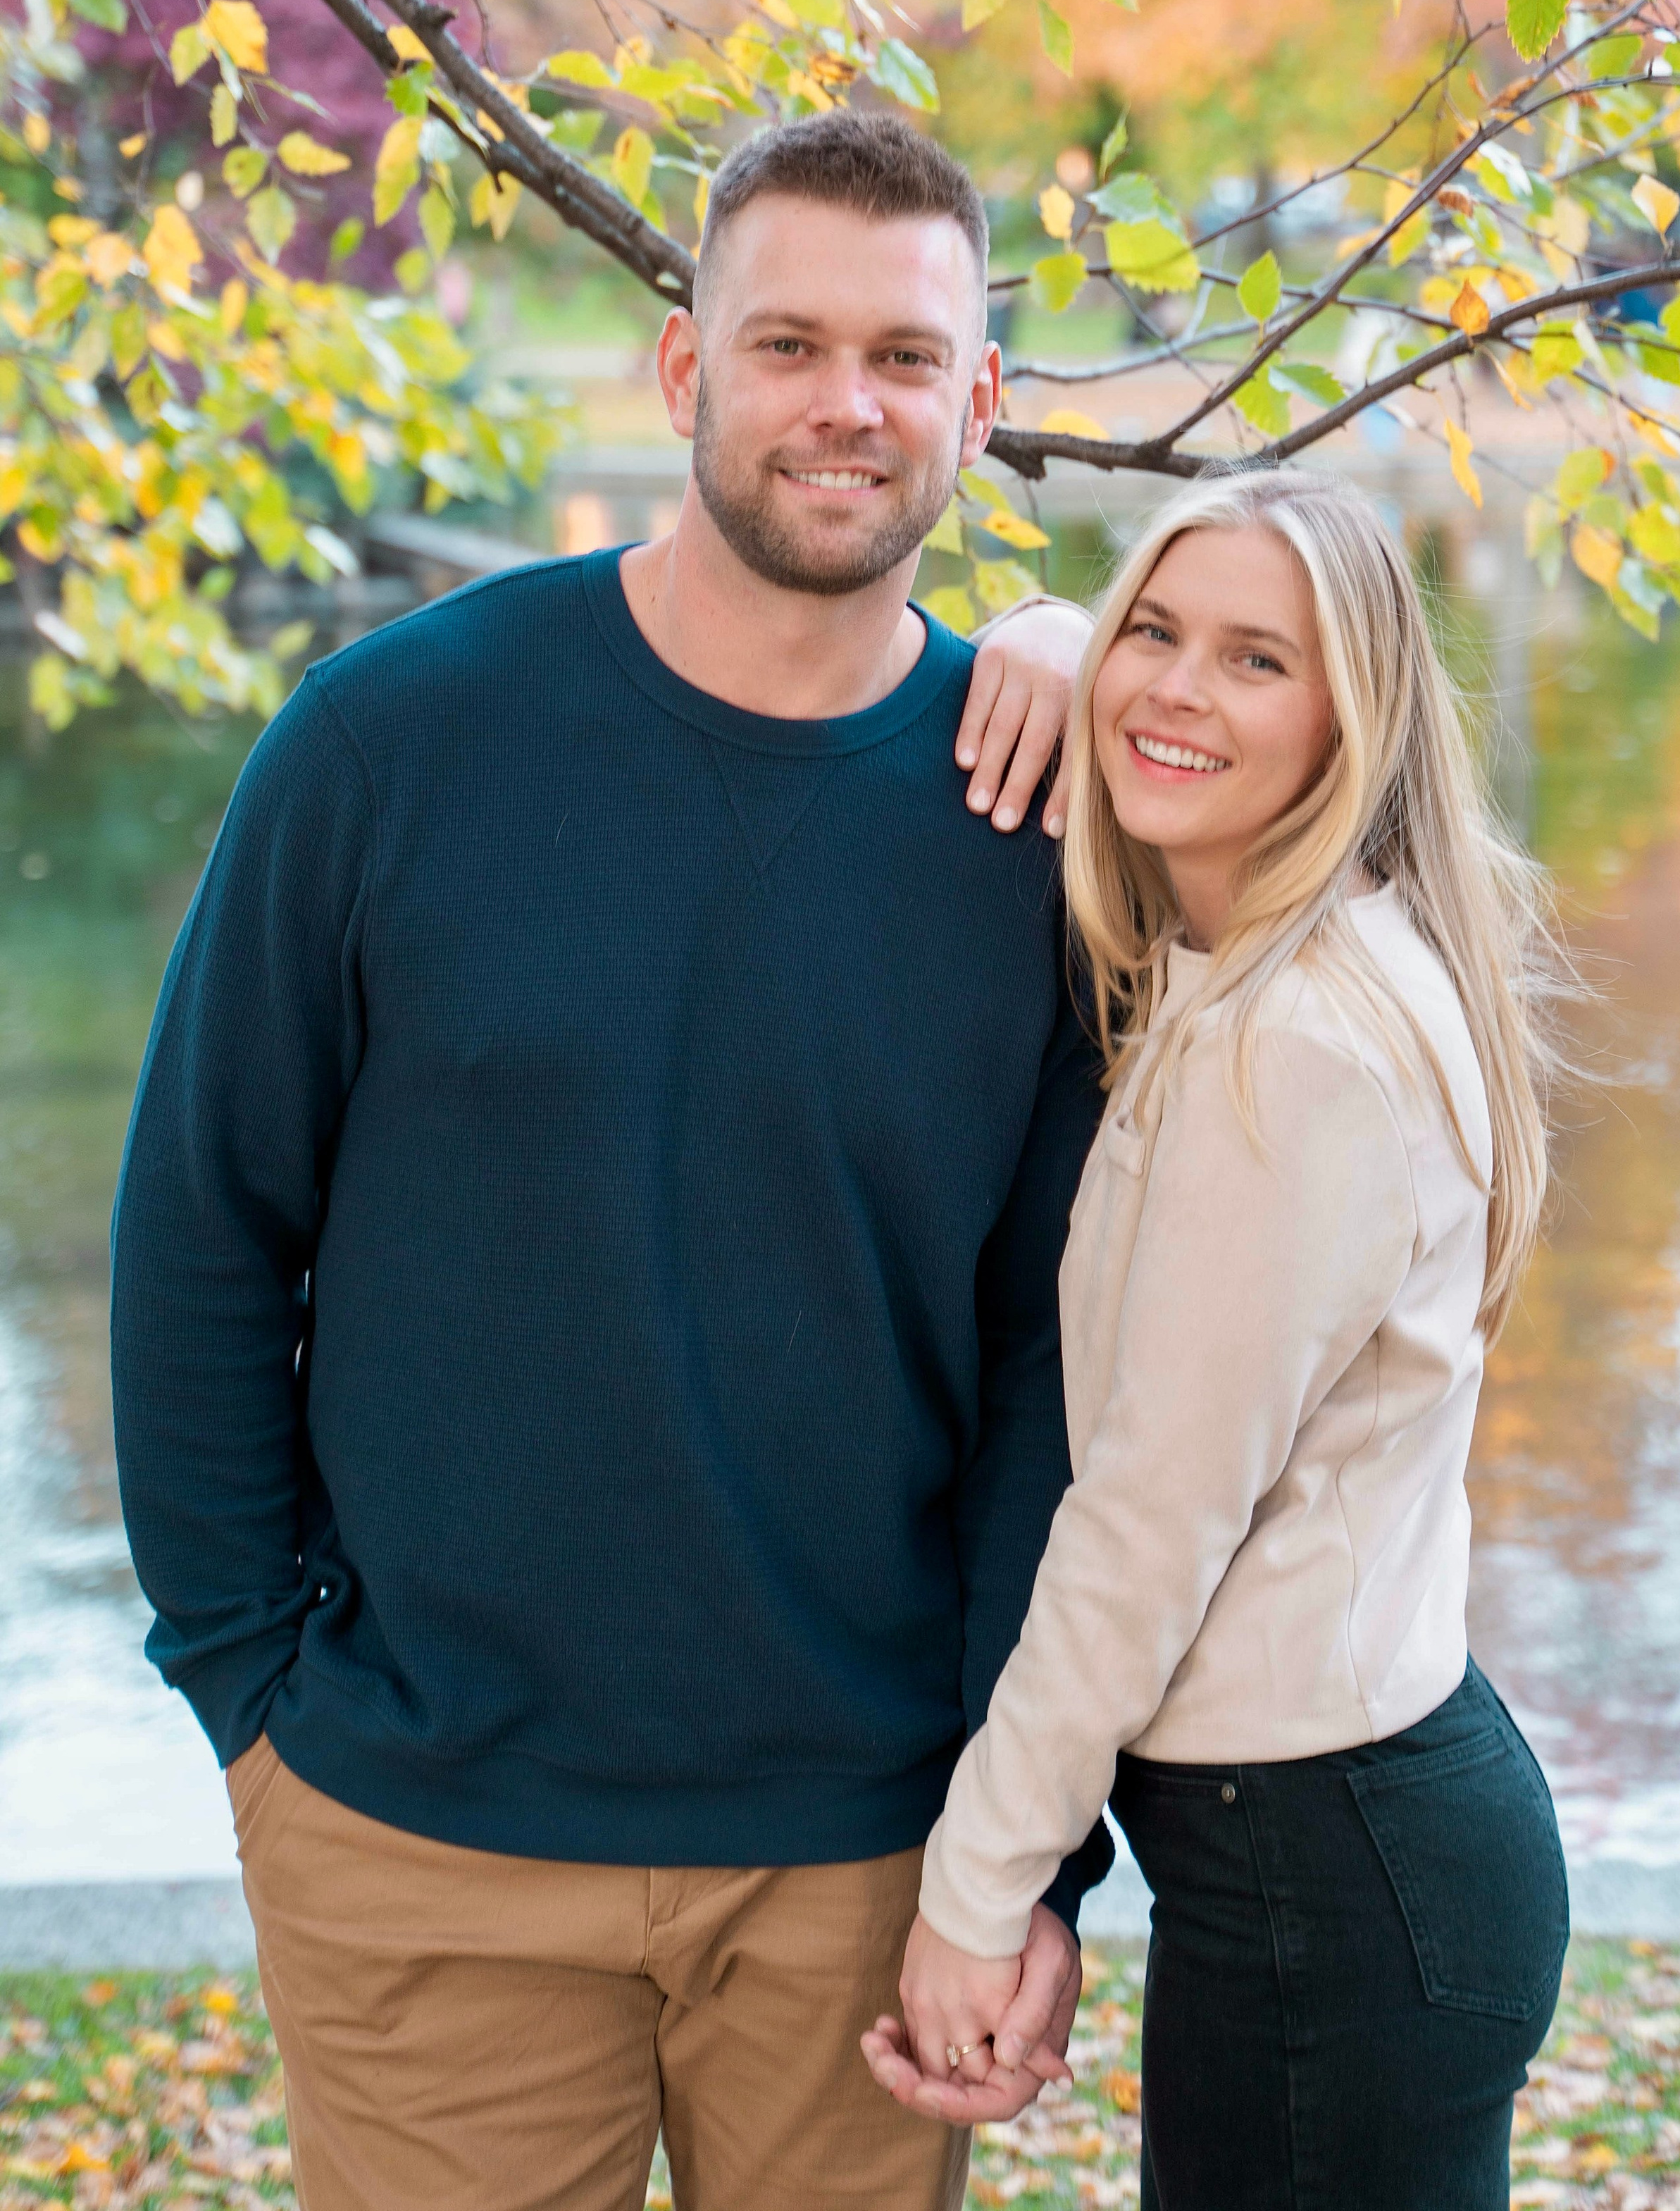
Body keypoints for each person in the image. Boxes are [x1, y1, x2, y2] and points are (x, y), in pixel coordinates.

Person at [109, 109, 1111, 2211]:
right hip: (421, 1826)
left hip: (869, 1854)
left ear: (979, 405)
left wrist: (1027, 1845)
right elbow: (204, 1228)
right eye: (787, 343)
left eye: (907, 358)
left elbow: (1059, 1376)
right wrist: (250, 1692)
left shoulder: (1038, 828)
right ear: (683, 368)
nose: (847, 404)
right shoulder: (387, 741)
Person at [866, 469, 1572, 2210]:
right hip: (1337, 1843)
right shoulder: (1249, 967)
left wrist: (976, 1889)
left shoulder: (1295, 1050)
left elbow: (1143, 1523)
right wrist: (1046, 637)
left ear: (1350, 718)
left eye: (1256, 658)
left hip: (1330, 1874)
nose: (1178, 688)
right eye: (1154, 633)